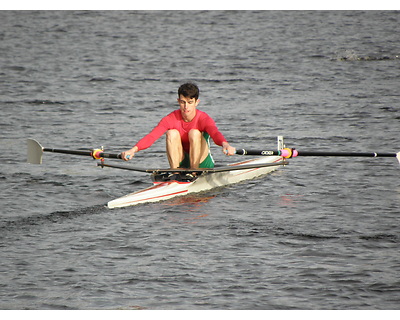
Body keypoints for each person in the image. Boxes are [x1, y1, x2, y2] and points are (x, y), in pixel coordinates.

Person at [121, 82, 236, 169]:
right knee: (171, 133)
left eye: (190, 102)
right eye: (183, 102)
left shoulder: (204, 119)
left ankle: (194, 171)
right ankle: (175, 173)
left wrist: (225, 144)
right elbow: (152, 136)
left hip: (202, 162)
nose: (186, 107)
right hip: (181, 160)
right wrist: (133, 150)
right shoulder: (171, 118)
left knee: (194, 133)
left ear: (197, 102)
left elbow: (215, 133)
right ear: (178, 101)